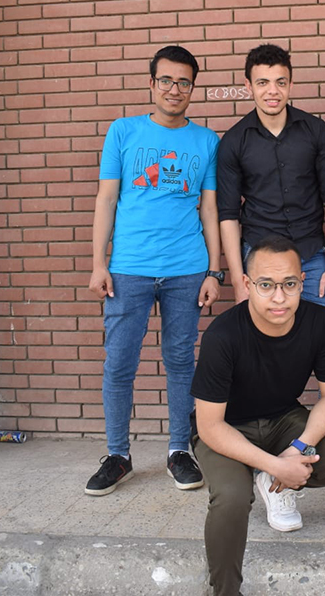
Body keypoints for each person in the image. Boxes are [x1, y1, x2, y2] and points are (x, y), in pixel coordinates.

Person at [85, 45, 223, 496]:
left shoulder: (207, 141)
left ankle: (179, 450)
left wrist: (214, 271)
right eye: (166, 80)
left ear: (192, 89)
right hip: (129, 269)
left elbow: (210, 209)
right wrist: (99, 263)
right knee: (120, 362)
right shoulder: (123, 132)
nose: (174, 89)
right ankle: (117, 455)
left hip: (187, 269)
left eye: (184, 82)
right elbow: (107, 199)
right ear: (151, 83)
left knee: (181, 361)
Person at [191, 236, 325, 596]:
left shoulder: (320, 322)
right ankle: (224, 592)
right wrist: (274, 464)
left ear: (303, 281)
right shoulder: (223, 335)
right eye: (266, 285)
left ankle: (274, 476)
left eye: (289, 284)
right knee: (232, 498)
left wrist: (299, 447)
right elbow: (209, 424)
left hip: (284, 419)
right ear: (247, 284)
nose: (279, 297)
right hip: (227, 428)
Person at [216, 43, 325, 425]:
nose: (272, 91)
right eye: (263, 82)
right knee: (252, 350)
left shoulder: (316, 132)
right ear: (248, 86)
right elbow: (228, 215)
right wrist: (239, 281)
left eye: (280, 82)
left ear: (291, 84)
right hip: (258, 262)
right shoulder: (234, 141)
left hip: (311, 257)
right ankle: (258, 433)